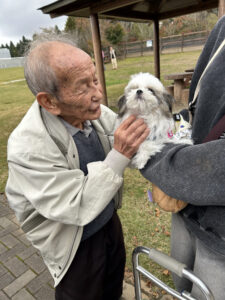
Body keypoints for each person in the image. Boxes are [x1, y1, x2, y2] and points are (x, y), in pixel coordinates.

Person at [5, 35, 149, 300]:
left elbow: (128, 137)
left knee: (113, 286)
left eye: (94, 79)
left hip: (107, 221)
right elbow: (75, 205)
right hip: (73, 243)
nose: (99, 93)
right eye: (83, 87)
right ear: (49, 102)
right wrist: (119, 154)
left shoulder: (92, 114)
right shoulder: (26, 148)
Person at [140, 16, 225, 300]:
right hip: (186, 213)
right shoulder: (222, 27)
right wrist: (166, 128)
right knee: (180, 290)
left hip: (220, 241)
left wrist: (150, 154)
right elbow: (196, 109)